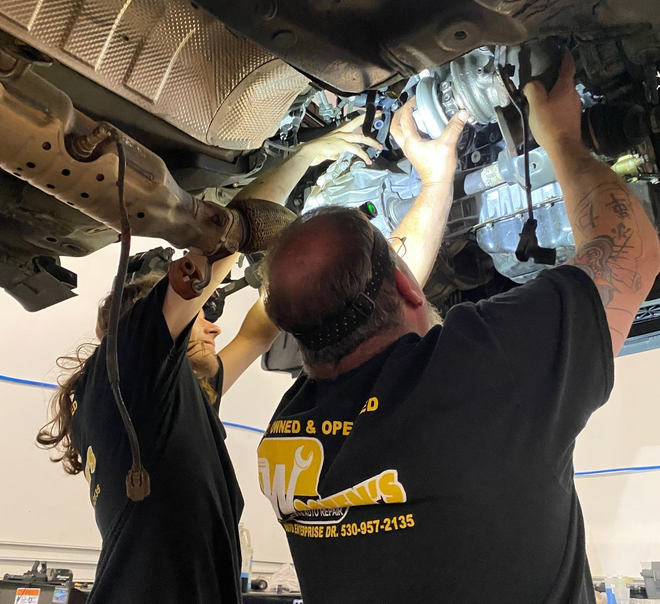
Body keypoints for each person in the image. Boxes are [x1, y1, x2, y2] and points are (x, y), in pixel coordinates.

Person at [257, 53, 660, 604]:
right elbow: (630, 253)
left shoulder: (287, 439)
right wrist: (563, 138)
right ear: (404, 287)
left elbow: (370, 299)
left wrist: (435, 181)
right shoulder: (481, 377)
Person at [36, 116, 382, 604]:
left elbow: (257, 333)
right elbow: (227, 236)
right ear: (148, 323)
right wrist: (305, 155)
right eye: (201, 319)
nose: (215, 328)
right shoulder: (130, 362)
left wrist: (320, 264)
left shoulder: (162, 401)